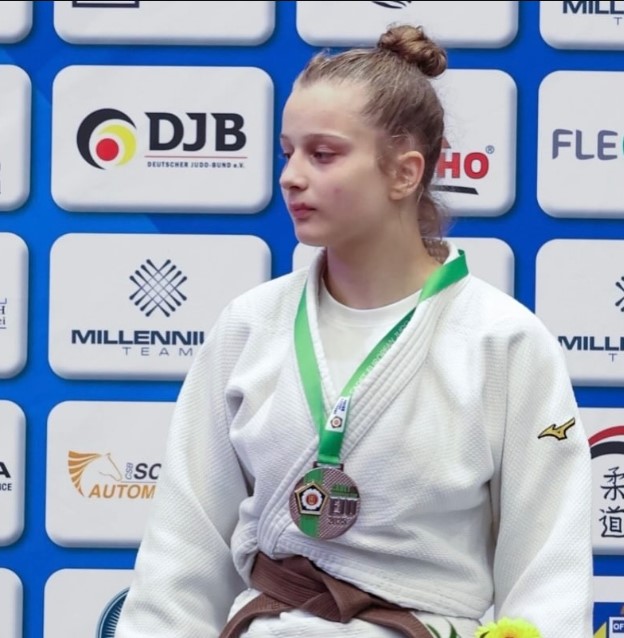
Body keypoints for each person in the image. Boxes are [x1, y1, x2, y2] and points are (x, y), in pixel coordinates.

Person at [114, 23, 593, 638]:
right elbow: (183, 549)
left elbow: (547, 568)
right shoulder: (250, 326)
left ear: (404, 173)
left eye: (323, 154)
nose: (290, 176)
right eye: (287, 152)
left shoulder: (503, 341)